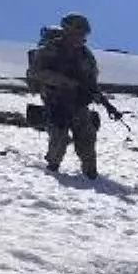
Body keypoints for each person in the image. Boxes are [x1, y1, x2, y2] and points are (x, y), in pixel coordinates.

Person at [27, 13, 121, 179]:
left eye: (83, 33)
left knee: (87, 137)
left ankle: (91, 175)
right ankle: (51, 170)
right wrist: (63, 81)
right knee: (60, 138)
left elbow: (92, 85)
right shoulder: (49, 50)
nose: (80, 36)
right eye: (76, 32)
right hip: (55, 101)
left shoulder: (86, 57)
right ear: (66, 30)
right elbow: (35, 73)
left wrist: (108, 106)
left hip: (78, 104)